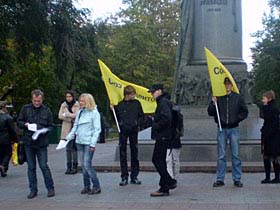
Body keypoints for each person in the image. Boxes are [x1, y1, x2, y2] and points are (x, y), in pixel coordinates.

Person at [208, 77, 248, 188]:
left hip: (234, 128)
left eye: (229, 84)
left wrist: (236, 119)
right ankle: (220, 178)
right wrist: (213, 103)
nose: (227, 86)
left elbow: (245, 111)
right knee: (221, 155)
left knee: (236, 154)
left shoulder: (238, 97)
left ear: (232, 85)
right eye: (225, 84)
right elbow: (210, 112)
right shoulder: (218, 97)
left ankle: (237, 178)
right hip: (221, 129)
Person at [17, 89, 55, 199]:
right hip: (29, 142)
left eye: (39, 101)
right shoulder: (26, 109)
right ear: (32, 99)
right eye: (35, 101)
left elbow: (51, 126)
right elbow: (19, 122)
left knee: (43, 166)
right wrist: (25, 124)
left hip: (41, 143)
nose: (37, 103)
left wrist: (44, 130)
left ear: (42, 99)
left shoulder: (46, 110)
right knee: (31, 167)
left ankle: (50, 188)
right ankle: (33, 190)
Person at [66, 93, 101, 195]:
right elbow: (75, 126)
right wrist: (68, 137)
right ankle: (86, 186)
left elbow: (97, 129)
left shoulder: (95, 113)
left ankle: (96, 186)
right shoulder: (80, 112)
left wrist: (93, 144)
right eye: (80, 101)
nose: (80, 103)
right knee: (83, 166)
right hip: (79, 142)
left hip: (88, 143)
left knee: (87, 165)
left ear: (88, 102)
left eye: (82, 101)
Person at [111, 85, 144, 186]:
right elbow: (115, 118)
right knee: (123, 154)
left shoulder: (137, 103)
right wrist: (112, 109)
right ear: (127, 95)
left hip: (133, 130)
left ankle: (134, 176)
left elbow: (141, 115)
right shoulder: (120, 105)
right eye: (133, 94)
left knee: (134, 153)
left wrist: (137, 124)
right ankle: (124, 176)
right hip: (123, 130)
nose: (134, 96)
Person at [148, 84, 177, 197]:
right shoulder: (163, 101)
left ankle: (169, 182)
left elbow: (166, 118)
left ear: (159, 91)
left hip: (163, 136)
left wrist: (154, 124)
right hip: (164, 136)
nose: (152, 94)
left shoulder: (163, 102)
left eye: (153, 92)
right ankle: (164, 186)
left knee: (157, 160)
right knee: (159, 161)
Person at [259, 90, 280, 184]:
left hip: (273, 137)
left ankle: (276, 177)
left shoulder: (273, 109)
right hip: (267, 135)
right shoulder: (267, 107)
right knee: (266, 157)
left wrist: (268, 133)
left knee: (274, 157)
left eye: (264, 98)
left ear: (269, 98)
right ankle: (268, 177)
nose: (262, 100)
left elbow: (273, 123)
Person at [58, 90, 80, 174]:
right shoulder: (63, 105)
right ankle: (68, 166)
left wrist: (67, 115)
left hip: (74, 128)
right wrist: (70, 116)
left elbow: (77, 115)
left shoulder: (77, 104)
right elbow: (60, 115)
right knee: (68, 148)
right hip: (66, 128)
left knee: (74, 148)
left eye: (70, 96)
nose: (68, 98)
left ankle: (75, 166)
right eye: (67, 96)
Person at [0, 101, 18, 177]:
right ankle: (3, 166)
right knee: (8, 153)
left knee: (0, 154)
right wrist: (16, 139)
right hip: (5, 139)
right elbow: (12, 130)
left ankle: (3, 168)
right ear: (4, 108)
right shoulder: (8, 118)